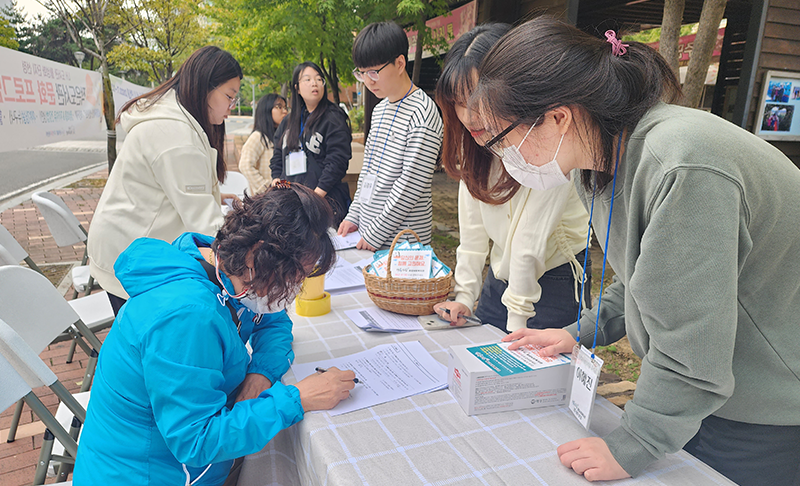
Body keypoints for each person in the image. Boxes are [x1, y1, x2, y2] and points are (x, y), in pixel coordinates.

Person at [473, 16, 800, 485]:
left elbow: (691, 344)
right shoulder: (601, 162)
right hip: (708, 392)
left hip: (766, 403)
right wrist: (580, 331)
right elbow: (646, 279)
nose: (506, 158)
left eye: (504, 141)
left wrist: (635, 443)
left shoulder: (683, 164)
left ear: (558, 117)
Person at [73, 183, 356, 486]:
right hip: (149, 474)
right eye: (295, 276)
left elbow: (274, 322)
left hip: (180, 459)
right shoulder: (185, 317)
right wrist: (298, 399)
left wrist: (259, 374)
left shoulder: (222, 264)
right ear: (258, 257)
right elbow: (197, 442)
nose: (293, 291)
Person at [431, 24, 591, 333]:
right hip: (502, 277)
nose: (468, 116)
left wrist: (516, 324)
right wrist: (465, 296)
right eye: (459, 102)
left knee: (536, 378)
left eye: (476, 101)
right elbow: (473, 232)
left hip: (554, 280)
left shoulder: (548, 137)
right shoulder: (478, 145)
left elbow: (528, 243)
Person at [88, 46, 242, 314]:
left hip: (127, 243)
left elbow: (172, 187)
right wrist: (250, 257)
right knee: (148, 342)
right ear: (206, 87)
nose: (230, 108)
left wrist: (217, 197)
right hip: (129, 254)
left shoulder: (176, 118)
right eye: (230, 96)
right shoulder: (177, 134)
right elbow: (205, 224)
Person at [338, 22, 443, 251]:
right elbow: (368, 169)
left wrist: (375, 234)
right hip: (369, 234)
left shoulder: (423, 114)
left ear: (399, 63)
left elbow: (410, 186)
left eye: (374, 72)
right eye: (362, 73)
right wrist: (354, 215)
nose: (368, 81)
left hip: (403, 242)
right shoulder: (380, 109)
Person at [270, 61, 352, 225]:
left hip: (324, 203)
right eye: (307, 79)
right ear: (297, 88)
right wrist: (276, 178)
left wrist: (315, 197)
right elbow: (278, 155)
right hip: (293, 204)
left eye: (318, 79)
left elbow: (337, 161)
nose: (314, 83)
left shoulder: (333, 117)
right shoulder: (289, 121)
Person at [239, 94, 288, 195]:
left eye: (285, 107)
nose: (285, 111)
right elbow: (245, 165)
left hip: (282, 196)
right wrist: (266, 187)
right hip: (266, 200)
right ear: (266, 110)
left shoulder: (283, 136)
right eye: (279, 107)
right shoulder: (258, 137)